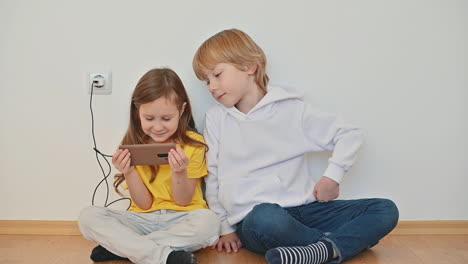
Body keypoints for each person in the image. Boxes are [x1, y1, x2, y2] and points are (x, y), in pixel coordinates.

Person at [192, 28, 399, 264]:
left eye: (217, 75)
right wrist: (225, 226)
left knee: (385, 209)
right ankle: (335, 246)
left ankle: (314, 252)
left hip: (306, 211)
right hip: (255, 219)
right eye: (206, 81)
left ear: (250, 66)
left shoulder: (292, 110)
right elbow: (213, 176)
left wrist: (332, 177)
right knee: (266, 218)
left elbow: (349, 134)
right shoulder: (217, 119)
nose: (211, 87)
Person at [78, 68, 220, 264]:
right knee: (88, 216)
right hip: (142, 220)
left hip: (183, 218)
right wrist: (128, 171)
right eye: (149, 119)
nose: (158, 127)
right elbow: (144, 204)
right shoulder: (134, 145)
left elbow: (183, 202)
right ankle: (162, 257)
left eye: (166, 119)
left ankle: (126, 249)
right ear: (138, 113)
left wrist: (179, 171)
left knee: (210, 223)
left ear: (182, 110)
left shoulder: (193, 144)